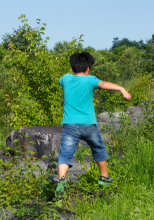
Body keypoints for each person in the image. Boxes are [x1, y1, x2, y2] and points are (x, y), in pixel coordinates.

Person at [55, 52, 131, 199]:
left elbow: (62, 81)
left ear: (73, 66)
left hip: (70, 124)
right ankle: (104, 176)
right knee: (98, 148)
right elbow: (103, 84)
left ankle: (62, 181)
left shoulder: (66, 78)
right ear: (88, 68)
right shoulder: (90, 80)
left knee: (65, 154)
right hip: (89, 124)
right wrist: (121, 88)